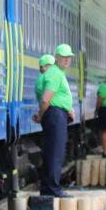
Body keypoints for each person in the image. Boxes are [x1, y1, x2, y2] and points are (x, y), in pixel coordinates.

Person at [33, 44, 75, 196]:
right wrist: (41, 115)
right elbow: (45, 100)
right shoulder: (55, 74)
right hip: (55, 115)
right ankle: (53, 188)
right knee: (55, 153)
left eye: (68, 57)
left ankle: (48, 187)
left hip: (56, 114)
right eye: (63, 57)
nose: (66, 60)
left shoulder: (56, 73)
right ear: (56, 57)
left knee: (52, 151)